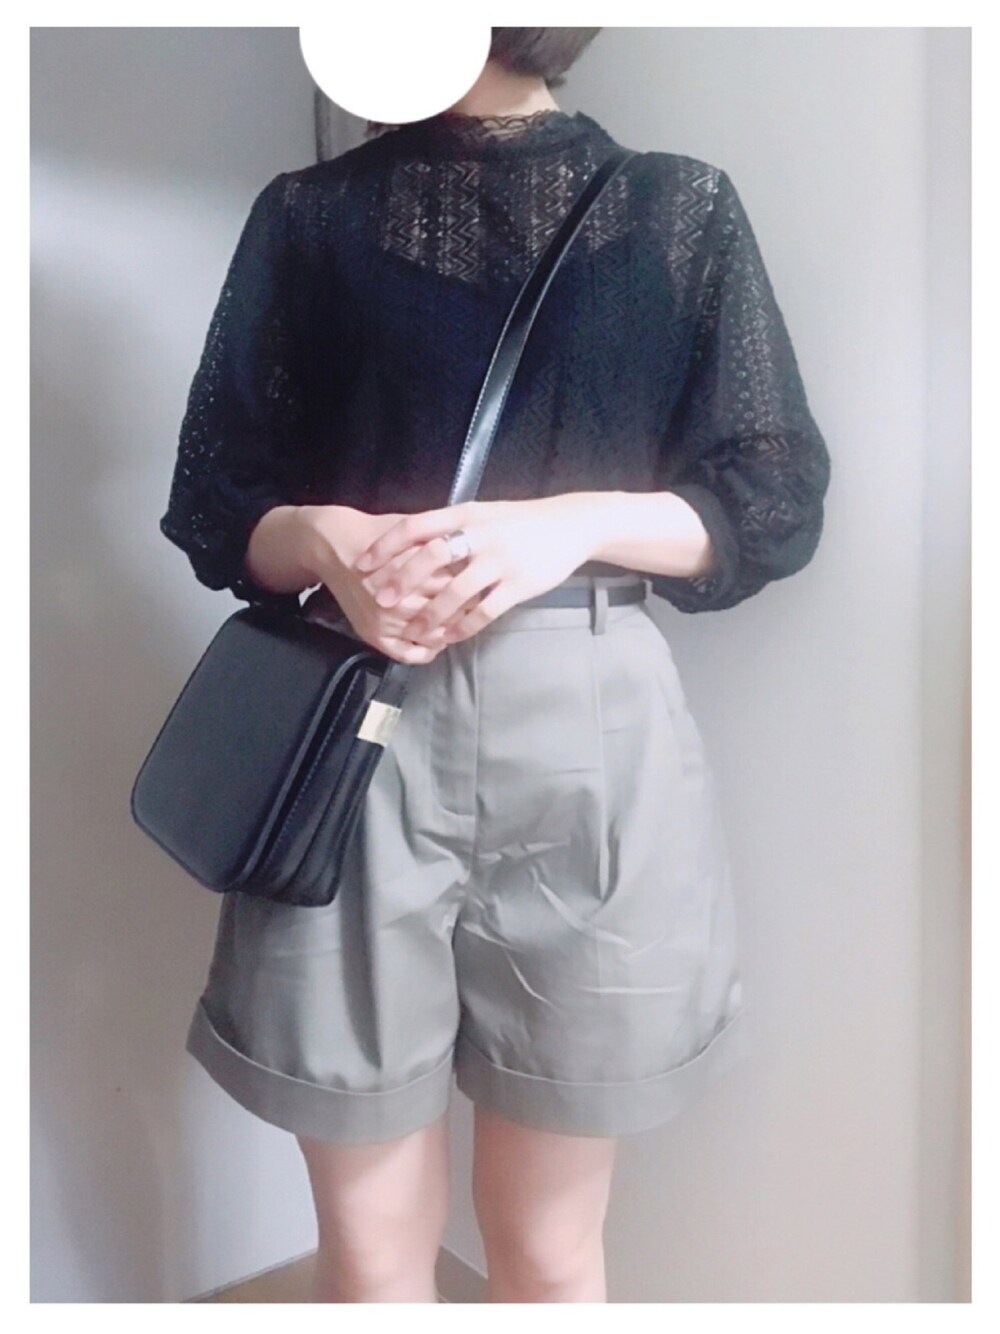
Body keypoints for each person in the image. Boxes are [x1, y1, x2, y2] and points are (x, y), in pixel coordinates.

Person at [160, 27, 830, 1304]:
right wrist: (327, 541)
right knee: (372, 1250)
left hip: (589, 720)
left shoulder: (675, 208)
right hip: (354, 720)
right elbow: (217, 496)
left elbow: (770, 493)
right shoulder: (309, 218)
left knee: (549, 1247)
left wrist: (566, 523)